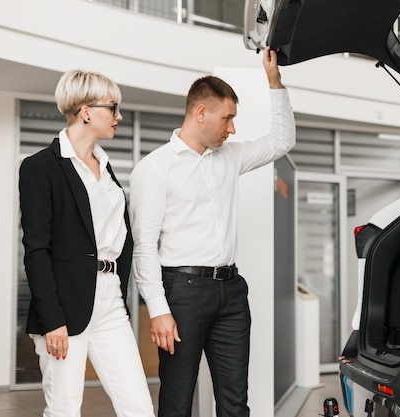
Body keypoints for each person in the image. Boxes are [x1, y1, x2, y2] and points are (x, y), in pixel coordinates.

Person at [129, 46, 295, 417]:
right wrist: (158, 310)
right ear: (200, 113)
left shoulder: (231, 156)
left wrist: (274, 82)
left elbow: (282, 141)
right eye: (228, 118)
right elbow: (144, 246)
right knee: (177, 399)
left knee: (235, 403)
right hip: (182, 294)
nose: (233, 128)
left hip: (231, 293)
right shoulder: (155, 169)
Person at [18, 69, 155, 417]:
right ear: (86, 111)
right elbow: (36, 250)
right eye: (114, 108)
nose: (119, 116)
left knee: (138, 406)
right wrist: (52, 319)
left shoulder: (107, 170)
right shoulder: (40, 168)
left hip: (110, 304)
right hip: (64, 307)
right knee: (64, 409)